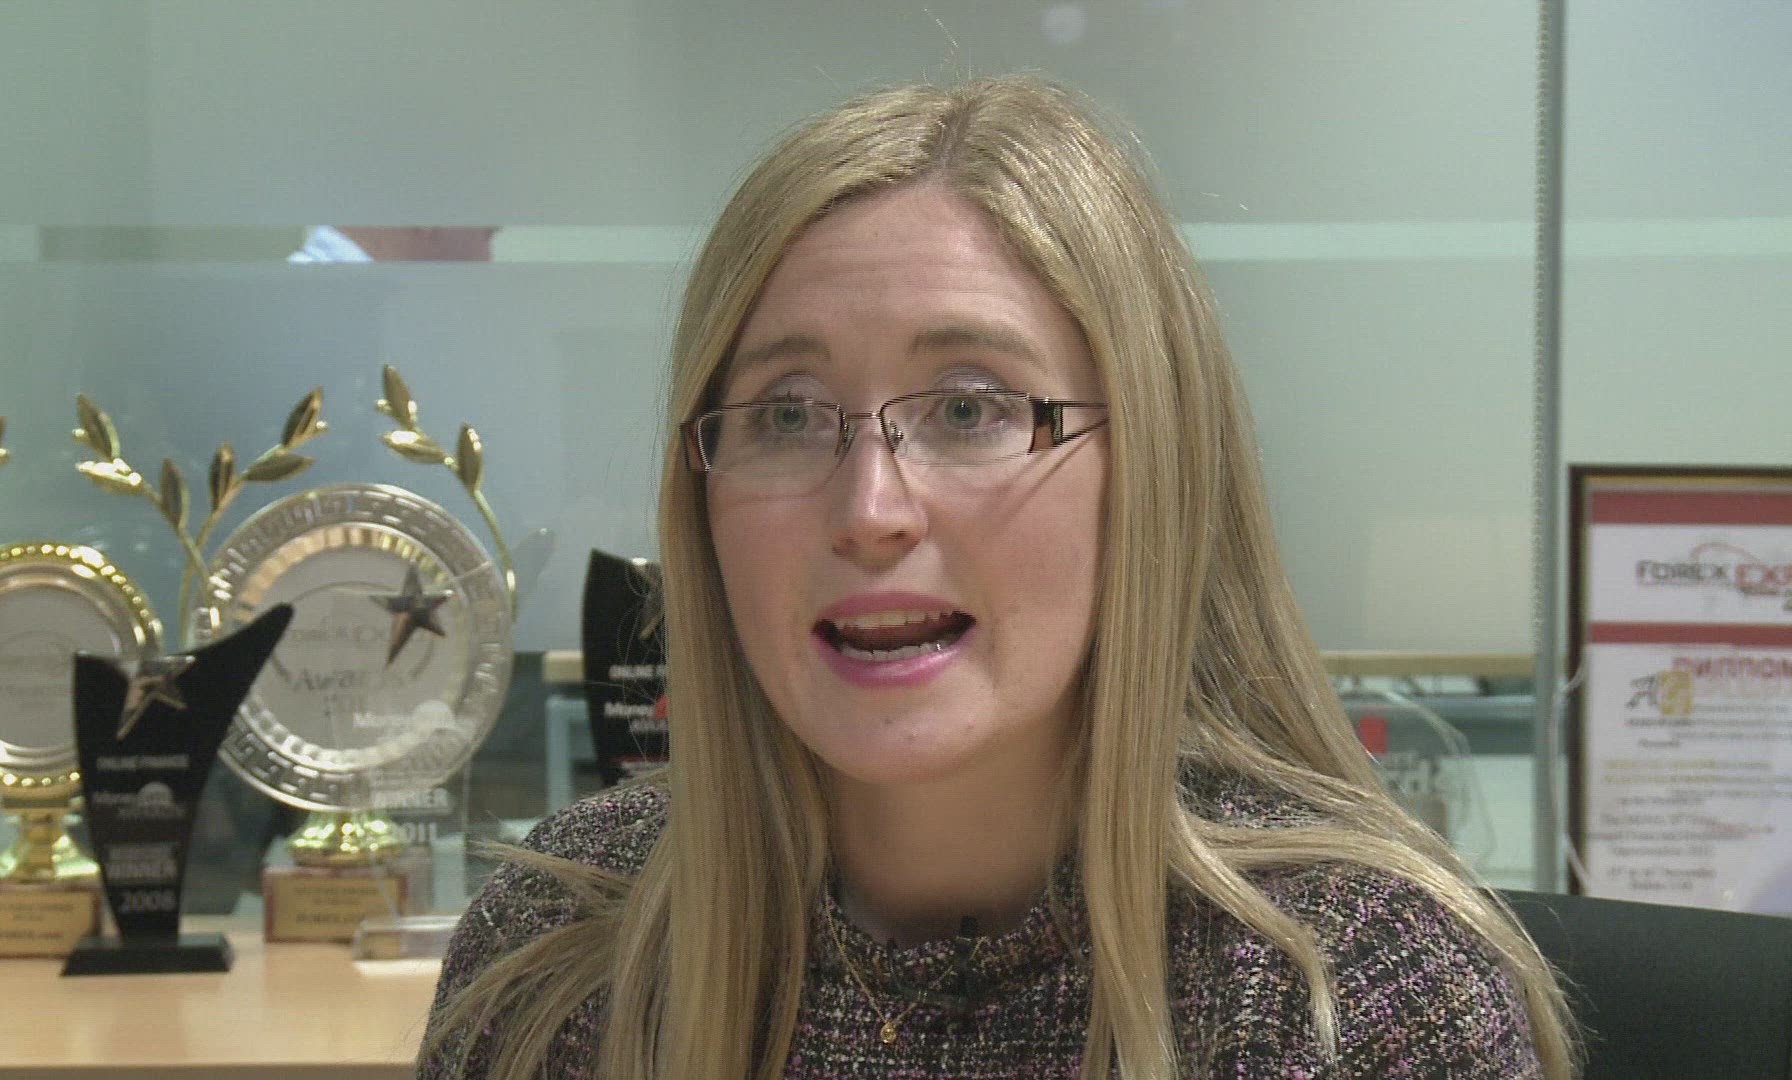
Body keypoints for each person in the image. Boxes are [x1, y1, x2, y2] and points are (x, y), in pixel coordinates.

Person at [417, 76, 1578, 1079]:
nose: (869, 511)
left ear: (1150, 470)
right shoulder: (563, 952)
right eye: (787, 414)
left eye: (969, 410)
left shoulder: (1350, 992)